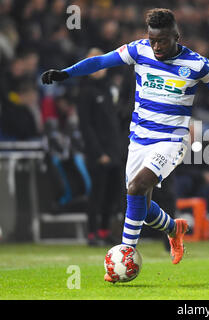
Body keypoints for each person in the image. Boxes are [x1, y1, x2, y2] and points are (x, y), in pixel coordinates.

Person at [41, 8, 209, 282]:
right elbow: (100, 62)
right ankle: (173, 229)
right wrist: (66, 73)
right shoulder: (139, 50)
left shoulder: (197, 64)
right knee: (139, 202)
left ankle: (126, 253)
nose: (156, 47)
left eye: (162, 41)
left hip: (171, 141)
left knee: (136, 187)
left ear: (176, 36)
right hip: (139, 139)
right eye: (152, 40)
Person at [76, 48, 124, 246]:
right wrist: (98, 153)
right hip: (99, 153)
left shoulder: (109, 90)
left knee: (112, 194)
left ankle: (105, 231)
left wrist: (118, 150)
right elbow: (86, 127)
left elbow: (116, 122)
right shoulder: (85, 92)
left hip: (114, 151)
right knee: (97, 193)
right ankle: (92, 233)